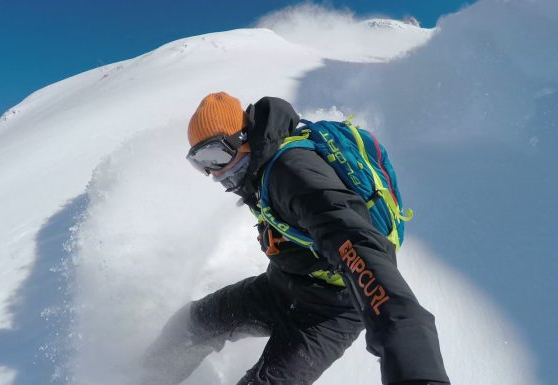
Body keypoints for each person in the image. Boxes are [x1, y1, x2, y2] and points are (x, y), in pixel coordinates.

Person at [140, 92, 450, 385]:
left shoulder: (291, 172)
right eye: (201, 163)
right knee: (191, 324)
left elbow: (355, 241)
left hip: (327, 317)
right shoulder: (260, 171)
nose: (213, 173)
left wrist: (414, 361)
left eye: (216, 154)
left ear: (243, 138)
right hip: (280, 288)